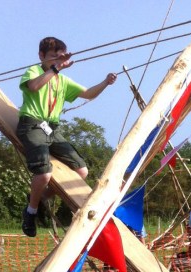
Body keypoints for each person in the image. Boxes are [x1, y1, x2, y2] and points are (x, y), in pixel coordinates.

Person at [18, 36, 117, 237]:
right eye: (53, 57)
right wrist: (55, 68)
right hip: (32, 124)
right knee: (44, 173)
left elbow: (88, 93)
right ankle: (31, 211)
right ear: (41, 56)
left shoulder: (62, 80)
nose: (57, 60)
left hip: (52, 129)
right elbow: (34, 87)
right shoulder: (34, 71)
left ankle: (38, 197)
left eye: (59, 57)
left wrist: (105, 83)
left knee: (82, 170)